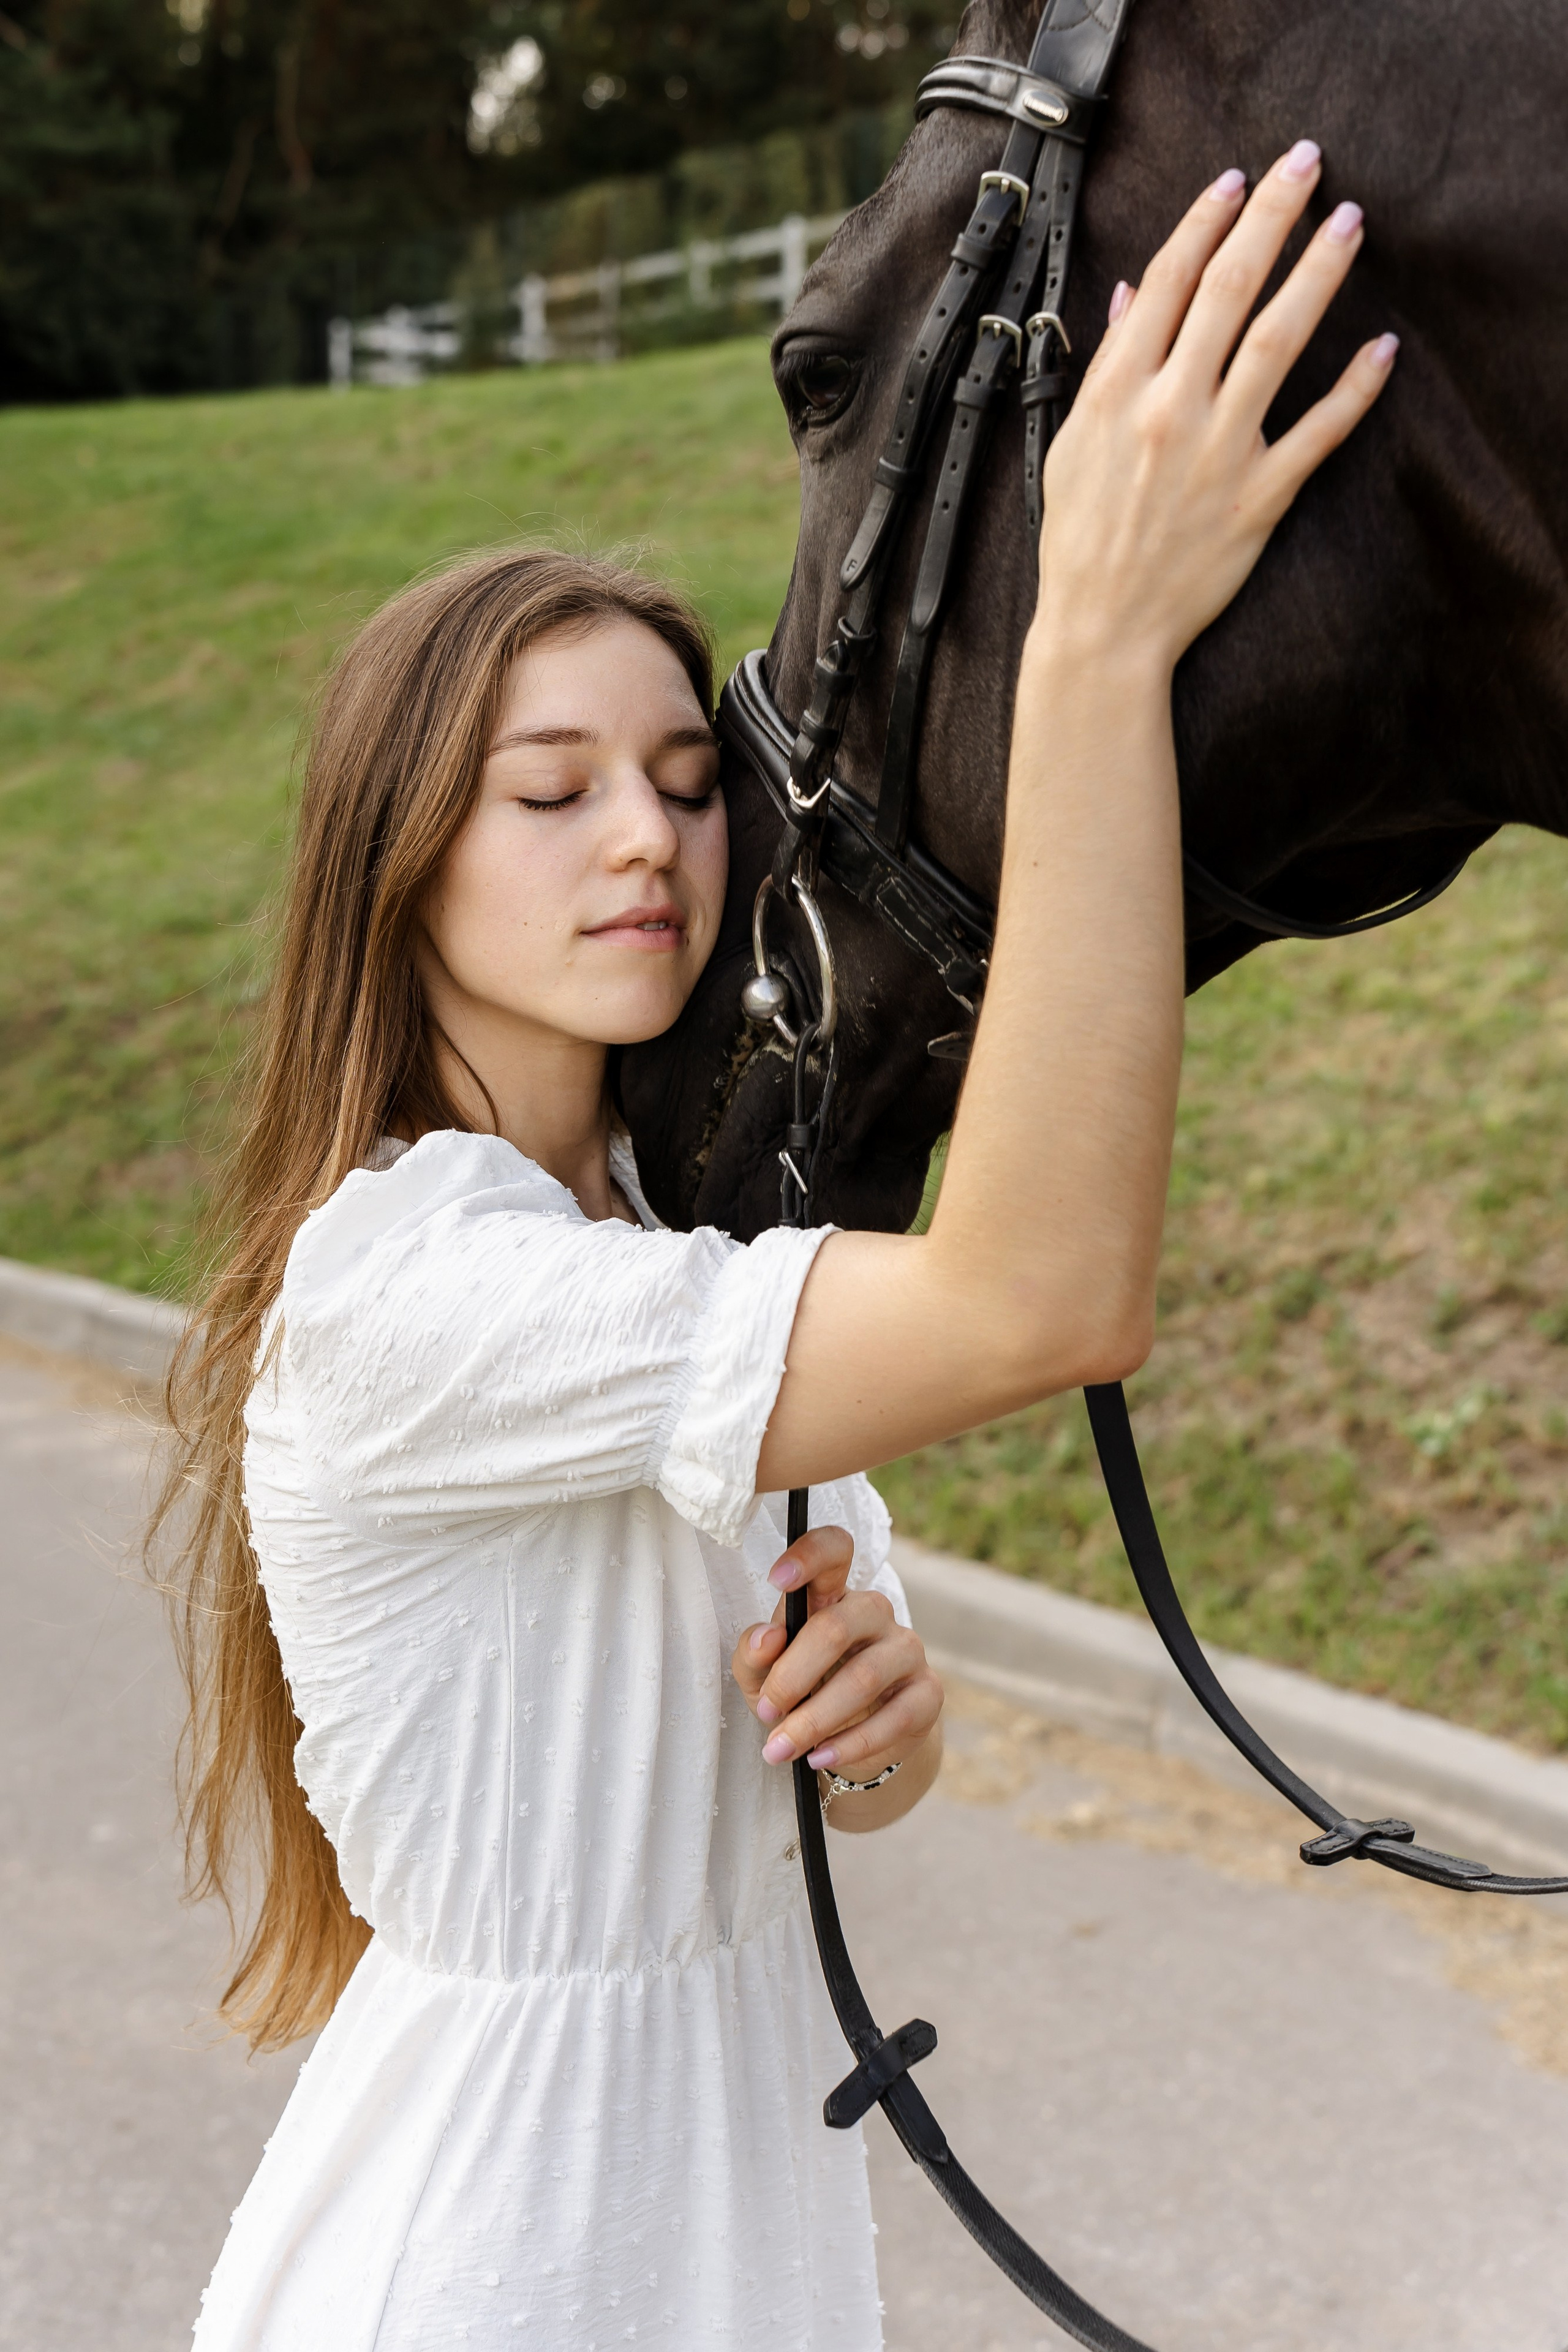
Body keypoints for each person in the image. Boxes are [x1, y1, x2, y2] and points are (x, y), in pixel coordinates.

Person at [158, 143, 1392, 2349]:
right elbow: (1044, 1294)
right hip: (493, 2271)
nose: (645, 833)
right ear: (401, 865)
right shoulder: (408, 1289)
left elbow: (826, 1766)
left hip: (728, 2230)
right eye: (552, 794)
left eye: (680, 774)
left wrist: (884, 1731)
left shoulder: (644, 1244)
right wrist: (1091, 642)